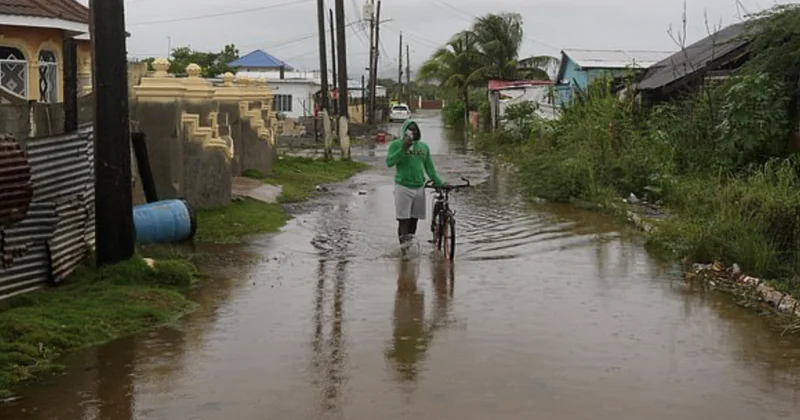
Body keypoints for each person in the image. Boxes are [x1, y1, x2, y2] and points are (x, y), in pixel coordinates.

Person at [385, 119, 447, 250]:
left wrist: (440, 182)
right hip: (403, 187)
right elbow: (389, 162)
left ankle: (410, 245)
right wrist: (403, 149)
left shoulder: (423, 147)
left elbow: (429, 168)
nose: (412, 132)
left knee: (414, 221)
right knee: (403, 221)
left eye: (415, 130)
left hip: (419, 188)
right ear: (404, 132)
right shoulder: (396, 145)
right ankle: (404, 251)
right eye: (409, 129)